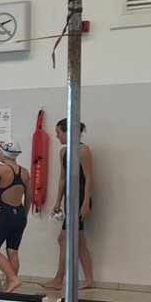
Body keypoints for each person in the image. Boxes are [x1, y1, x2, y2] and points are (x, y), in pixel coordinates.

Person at [42, 119, 95, 290]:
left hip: (79, 201)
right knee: (78, 242)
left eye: (59, 132)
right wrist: (57, 201)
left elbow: (89, 178)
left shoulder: (83, 151)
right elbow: (62, 179)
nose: (57, 136)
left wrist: (85, 203)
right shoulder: (63, 152)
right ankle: (89, 280)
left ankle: (59, 279)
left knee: (63, 238)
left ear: (68, 132)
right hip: (69, 201)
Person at [0, 142, 30, 293]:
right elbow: (29, 197)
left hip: (6, 215)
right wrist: (24, 216)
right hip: (20, 215)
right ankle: (9, 287)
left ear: (4, 154)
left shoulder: (1, 169)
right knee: (12, 251)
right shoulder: (25, 172)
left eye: (0, 152)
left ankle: (13, 280)